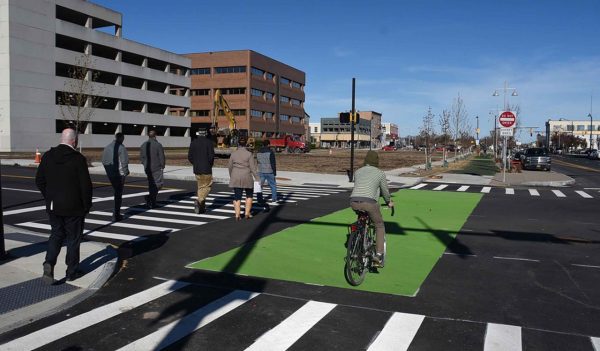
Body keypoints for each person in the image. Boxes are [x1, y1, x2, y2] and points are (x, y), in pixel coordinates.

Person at [35, 128, 93, 284]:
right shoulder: (78, 159)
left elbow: (39, 180)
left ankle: (49, 263)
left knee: (56, 235)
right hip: (74, 207)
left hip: (54, 206)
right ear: (74, 141)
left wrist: (50, 197)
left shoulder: (47, 156)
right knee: (73, 239)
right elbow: (86, 186)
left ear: (62, 139)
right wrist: (86, 206)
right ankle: (71, 271)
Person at [349, 150, 393, 268]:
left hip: (353, 201)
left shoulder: (358, 171)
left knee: (362, 217)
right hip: (369, 203)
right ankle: (378, 256)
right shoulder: (380, 173)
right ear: (376, 161)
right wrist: (388, 201)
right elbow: (385, 190)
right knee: (379, 225)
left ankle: (358, 237)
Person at [228, 136, 259, 220]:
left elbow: (230, 166)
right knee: (249, 195)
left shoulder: (233, 154)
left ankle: (237, 215)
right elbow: (253, 168)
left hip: (236, 176)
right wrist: (257, 178)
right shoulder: (249, 154)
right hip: (247, 176)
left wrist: (232, 176)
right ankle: (247, 213)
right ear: (246, 143)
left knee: (237, 196)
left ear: (238, 143)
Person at [101, 132, 129, 221]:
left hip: (110, 173)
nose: (123, 140)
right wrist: (125, 172)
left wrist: (109, 170)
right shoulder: (121, 147)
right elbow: (124, 162)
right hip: (119, 174)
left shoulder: (107, 147)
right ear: (120, 138)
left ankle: (116, 214)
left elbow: (103, 161)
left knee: (116, 192)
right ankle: (116, 215)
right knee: (118, 194)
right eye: (123, 138)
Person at [188, 129, 215, 214]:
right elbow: (211, 157)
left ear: (198, 133)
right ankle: (199, 201)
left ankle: (201, 208)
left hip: (197, 169)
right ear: (206, 133)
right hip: (206, 168)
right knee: (207, 186)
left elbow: (190, 157)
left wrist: (195, 163)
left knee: (200, 187)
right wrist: (209, 164)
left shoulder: (193, 143)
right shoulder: (209, 142)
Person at [140, 130, 165, 208]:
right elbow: (161, 156)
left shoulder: (143, 145)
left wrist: (145, 164)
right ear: (155, 136)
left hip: (148, 168)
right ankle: (151, 200)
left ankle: (151, 199)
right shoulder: (158, 145)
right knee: (158, 184)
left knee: (152, 185)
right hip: (156, 168)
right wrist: (162, 165)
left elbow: (141, 158)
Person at [256, 139, 278, 211]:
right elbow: (273, 163)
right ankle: (274, 199)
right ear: (268, 144)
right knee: (273, 185)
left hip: (261, 171)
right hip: (269, 171)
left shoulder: (258, 152)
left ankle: (259, 200)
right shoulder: (270, 152)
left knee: (259, 186)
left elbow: (257, 162)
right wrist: (274, 172)